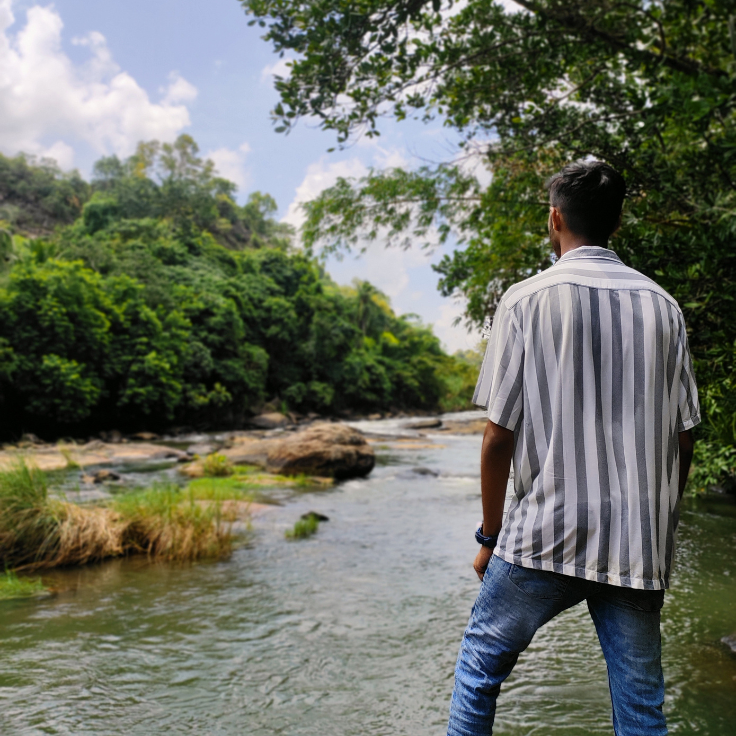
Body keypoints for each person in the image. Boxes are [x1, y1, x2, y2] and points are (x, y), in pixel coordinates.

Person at [447, 161, 699, 736]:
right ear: (617, 222)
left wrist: (489, 537)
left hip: (543, 535)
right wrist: (658, 523)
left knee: (479, 671)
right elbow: (683, 437)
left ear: (555, 218)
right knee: (641, 708)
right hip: (636, 543)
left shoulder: (525, 300)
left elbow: (499, 437)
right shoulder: (663, 306)